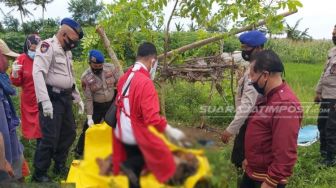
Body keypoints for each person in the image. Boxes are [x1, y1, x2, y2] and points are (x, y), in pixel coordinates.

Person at [112, 42, 185, 188]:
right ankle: (129, 166)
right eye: (155, 63)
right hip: (134, 133)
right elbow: (151, 118)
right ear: (152, 60)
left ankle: (131, 170)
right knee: (159, 156)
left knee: (135, 166)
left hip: (121, 128)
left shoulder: (125, 76)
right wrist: (169, 130)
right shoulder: (145, 83)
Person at [32, 18, 84, 182]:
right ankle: (39, 173)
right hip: (52, 98)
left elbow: (69, 78)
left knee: (69, 133)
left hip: (65, 98)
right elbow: (38, 73)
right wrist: (45, 101)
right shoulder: (47, 46)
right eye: (73, 41)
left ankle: (59, 164)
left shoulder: (67, 51)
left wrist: (78, 98)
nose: (73, 45)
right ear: (63, 34)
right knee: (50, 137)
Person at [241, 50, 302, 188]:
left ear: (265, 75)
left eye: (252, 74)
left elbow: (285, 152)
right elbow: (262, 135)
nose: (250, 79)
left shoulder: (285, 105)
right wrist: (250, 160)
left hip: (266, 179)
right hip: (254, 172)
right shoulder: (268, 98)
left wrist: (271, 182)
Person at [221, 30, 266, 171]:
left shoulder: (258, 69)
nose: (244, 51)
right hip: (249, 120)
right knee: (242, 159)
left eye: (247, 48)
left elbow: (247, 104)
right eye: (243, 48)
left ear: (258, 48)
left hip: (250, 121)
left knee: (242, 160)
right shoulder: (254, 65)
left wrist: (230, 130)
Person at [74, 49, 120, 158]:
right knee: (88, 128)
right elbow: (89, 99)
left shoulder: (111, 68)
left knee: (116, 126)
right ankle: (79, 151)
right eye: (95, 66)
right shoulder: (85, 77)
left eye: (100, 66)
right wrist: (89, 117)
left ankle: (116, 149)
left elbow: (120, 83)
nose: (98, 68)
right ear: (90, 63)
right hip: (97, 106)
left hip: (112, 104)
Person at [10, 34, 42, 141]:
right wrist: (14, 74)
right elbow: (17, 82)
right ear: (28, 46)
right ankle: (28, 145)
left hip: (42, 97)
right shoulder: (21, 59)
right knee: (30, 128)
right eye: (33, 48)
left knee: (41, 126)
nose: (35, 51)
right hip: (28, 99)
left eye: (37, 48)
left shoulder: (42, 59)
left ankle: (40, 146)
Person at [0, 40, 24, 182]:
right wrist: (2, 160)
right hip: (4, 161)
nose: (9, 63)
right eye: (6, 58)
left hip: (11, 150)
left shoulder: (2, 80)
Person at [314, 25, 336, 166]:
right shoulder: (332, 51)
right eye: (333, 32)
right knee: (321, 124)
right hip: (326, 96)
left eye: (335, 32)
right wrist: (318, 91)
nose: (333, 35)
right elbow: (325, 73)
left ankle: (331, 158)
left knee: (331, 128)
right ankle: (324, 152)